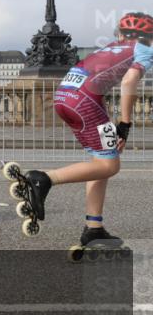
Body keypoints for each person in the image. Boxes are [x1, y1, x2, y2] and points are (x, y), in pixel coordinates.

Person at [19, 12, 153, 247]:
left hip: (65, 96)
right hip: (85, 102)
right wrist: (124, 124)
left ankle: (94, 228)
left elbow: (94, 81)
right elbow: (129, 82)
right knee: (109, 165)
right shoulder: (145, 48)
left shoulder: (111, 48)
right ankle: (44, 179)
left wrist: (109, 126)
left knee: (101, 162)